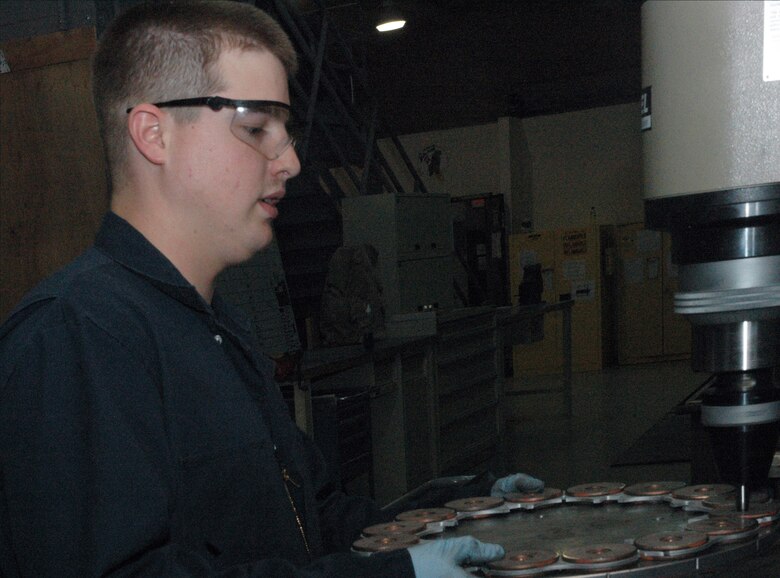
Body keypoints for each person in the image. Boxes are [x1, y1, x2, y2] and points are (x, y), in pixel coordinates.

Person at [0, 2, 542, 576]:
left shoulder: (218, 328)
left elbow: (314, 519)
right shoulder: (73, 337)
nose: (291, 161)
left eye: (286, 131)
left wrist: (461, 512)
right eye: (257, 128)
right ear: (154, 133)